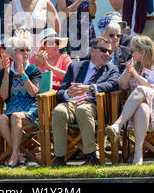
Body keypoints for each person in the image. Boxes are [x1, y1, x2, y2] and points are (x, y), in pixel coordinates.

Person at [51, 37, 120, 166]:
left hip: (93, 103)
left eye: (110, 52)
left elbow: (113, 84)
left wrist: (89, 88)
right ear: (92, 51)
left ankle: (91, 156)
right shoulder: (75, 66)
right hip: (71, 102)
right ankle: (59, 158)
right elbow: (60, 92)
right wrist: (68, 93)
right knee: (58, 111)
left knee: (83, 110)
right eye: (103, 50)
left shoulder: (112, 69)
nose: (107, 54)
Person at [106, 35, 154, 165]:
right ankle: (138, 154)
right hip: (137, 107)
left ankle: (117, 125)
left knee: (141, 89)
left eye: (132, 51)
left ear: (143, 52)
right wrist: (128, 72)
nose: (130, 54)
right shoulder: (135, 63)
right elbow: (122, 85)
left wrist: (136, 75)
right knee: (142, 108)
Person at [0, 31, 42, 167]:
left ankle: (14, 158)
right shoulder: (6, 72)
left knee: (16, 116)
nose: (26, 53)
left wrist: (23, 74)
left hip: (31, 109)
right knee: (1, 119)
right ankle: (18, 155)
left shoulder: (34, 70)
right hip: (11, 108)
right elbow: (4, 96)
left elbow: (33, 93)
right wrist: (6, 74)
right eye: (21, 50)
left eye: (28, 50)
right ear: (12, 52)